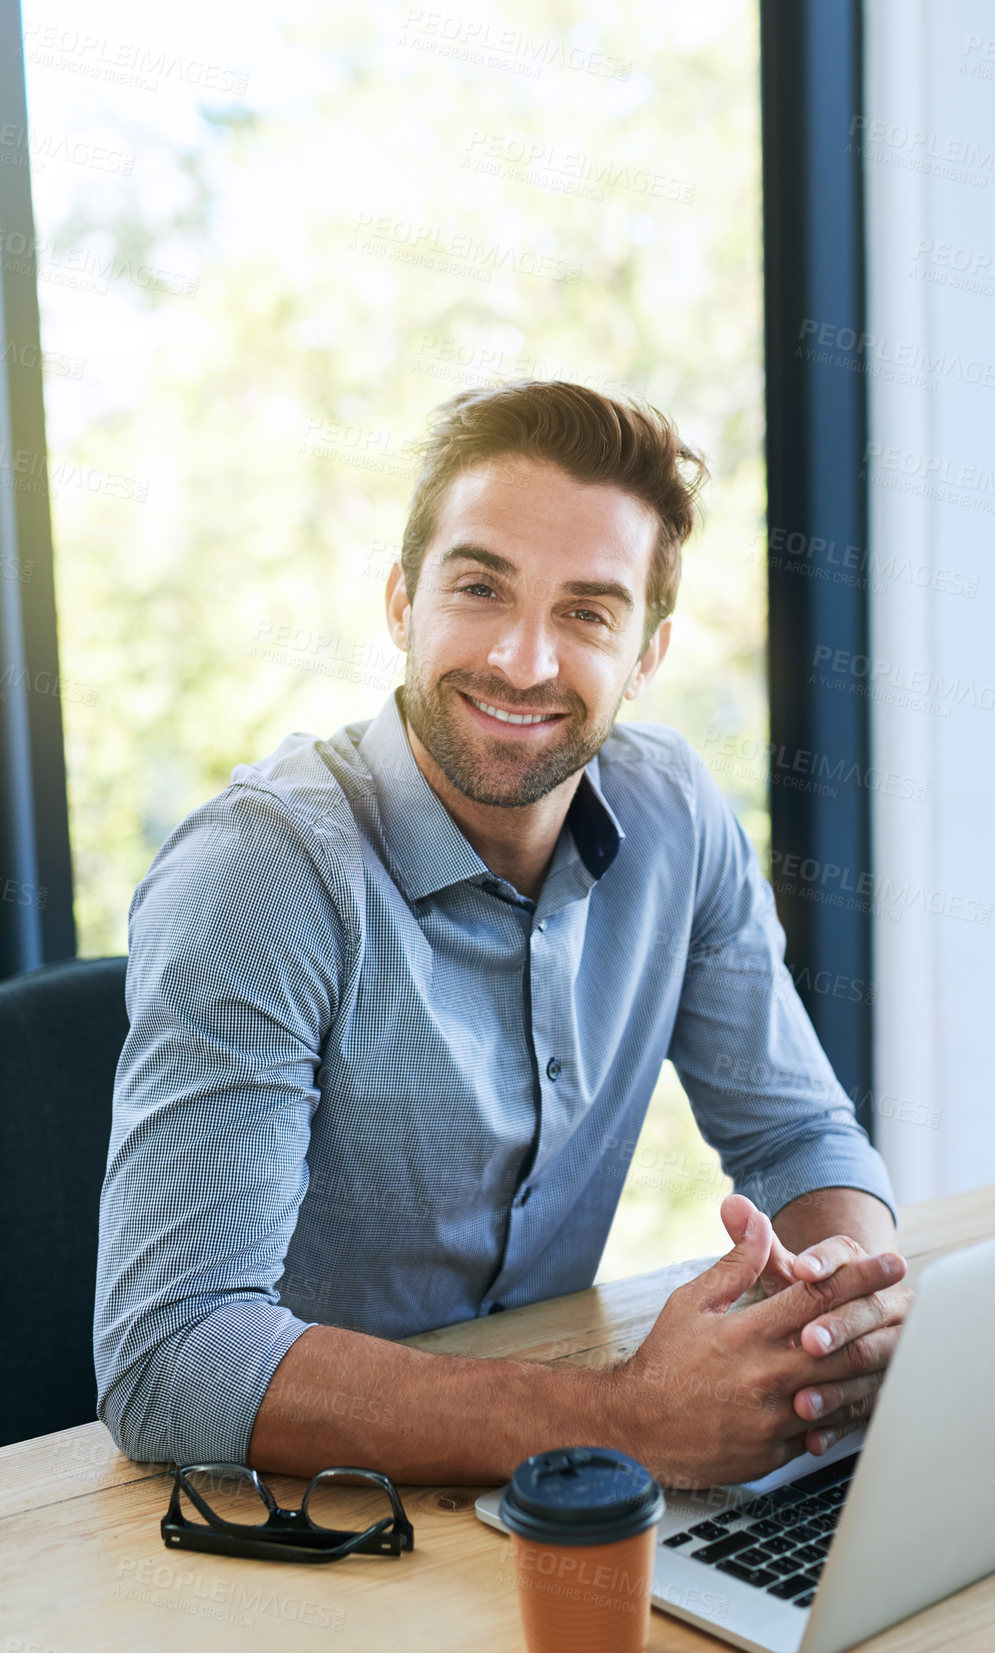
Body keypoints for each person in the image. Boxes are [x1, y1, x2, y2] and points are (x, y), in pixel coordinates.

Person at [94, 380, 911, 1491]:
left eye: (586, 612)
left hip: (535, 1492)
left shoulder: (675, 816)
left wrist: (838, 1315)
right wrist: (626, 1421)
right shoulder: (263, 875)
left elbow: (798, 1138)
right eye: (480, 587)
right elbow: (171, 1356)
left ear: (646, 654)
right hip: (292, 1525)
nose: (523, 660)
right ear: (401, 602)